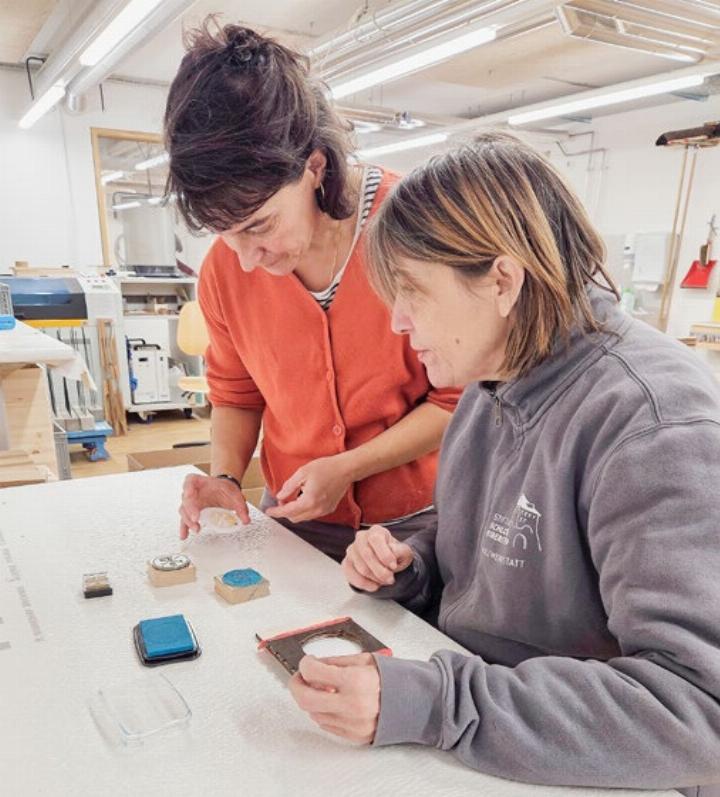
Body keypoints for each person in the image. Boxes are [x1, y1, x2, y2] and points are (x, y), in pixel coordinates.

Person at [288, 133, 720, 796]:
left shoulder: (652, 422)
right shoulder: (493, 383)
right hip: (492, 727)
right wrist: (415, 562)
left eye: (412, 292)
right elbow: (505, 538)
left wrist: (437, 703)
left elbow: (697, 710)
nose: (397, 321)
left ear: (501, 281)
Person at [165, 21, 459, 560]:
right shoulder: (224, 270)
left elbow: (457, 398)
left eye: (259, 225)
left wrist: (349, 467)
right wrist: (225, 477)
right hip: (293, 516)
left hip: (415, 523)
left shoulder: (415, 231)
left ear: (315, 168)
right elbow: (236, 393)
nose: (245, 258)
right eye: (225, 233)